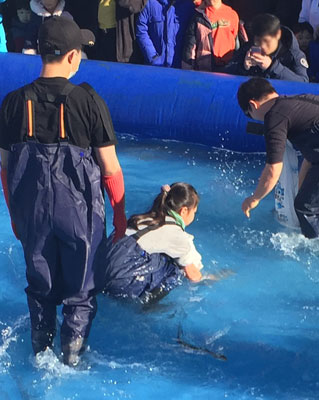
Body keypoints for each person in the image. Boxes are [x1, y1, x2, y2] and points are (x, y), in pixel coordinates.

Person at [0, 17, 126, 365]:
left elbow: (5, 170)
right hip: (80, 213)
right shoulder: (88, 101)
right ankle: (71, 362)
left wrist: (15, 217)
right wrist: (119, 216)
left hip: (31, 212)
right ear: (72, 56)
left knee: (40, 289)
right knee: (81, 293)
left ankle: (40, 355)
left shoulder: (12, 103)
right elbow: (111, 169)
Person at [104, 183, 220, 302]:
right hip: (122, 283)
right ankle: (150, 306)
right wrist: (213, 279)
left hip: (100, 271)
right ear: (184, 211)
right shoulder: (178, 235)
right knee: (178, 269)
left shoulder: (144, 218)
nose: (194, 216)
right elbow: (193, 276)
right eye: (194, 212)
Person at [237, 77, 319, 239]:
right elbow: (311, 158)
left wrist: (255, 198)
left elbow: (273, 169)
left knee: (306, 208)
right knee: (304, 202)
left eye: (249, 115)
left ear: (253, 105)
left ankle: (312, 254)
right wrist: (300, 192)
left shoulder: (274, 117)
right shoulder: (298, 103)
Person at [225, 14, 309, 82]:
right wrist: (243, 67)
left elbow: (303, 83)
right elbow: (224, 74)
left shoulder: (293, 55)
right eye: (258, 41)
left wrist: (273, 67)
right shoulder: (248, 48)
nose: (262, 46)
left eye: (266, 41)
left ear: (278, 35)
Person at [182, 0, 238, 72]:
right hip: (204, 69)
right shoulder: (198, 15)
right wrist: (188, 70)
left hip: (228, 68)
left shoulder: (232, 14)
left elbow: (234, 40)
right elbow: (190, 46)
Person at [136, 0, 194, 68]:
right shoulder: (150, 3)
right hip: (153, 68)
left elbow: (192, 36)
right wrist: (152, 57)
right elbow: (141, 30)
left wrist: (185, 60)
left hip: (179, 68)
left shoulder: (188, 5)